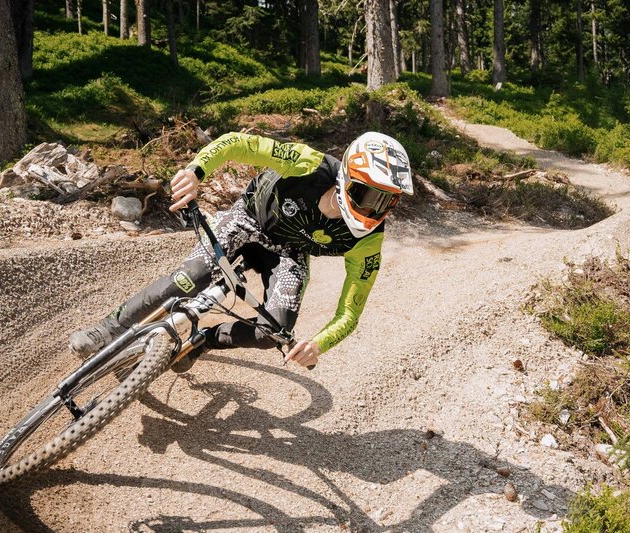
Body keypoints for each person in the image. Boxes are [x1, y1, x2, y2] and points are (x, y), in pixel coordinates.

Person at [69, 131, 413, 371]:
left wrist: (318, 345)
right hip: (249, 218)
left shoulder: (369, 241)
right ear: (347, 177)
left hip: (289, 252)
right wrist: (195, 170)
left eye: (386, 201)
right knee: (190, 278)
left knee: (275, 330)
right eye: (368, 195)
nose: (373, 209)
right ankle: (106, 330)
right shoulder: (309, 164)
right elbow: (239, 143)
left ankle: (201, 341)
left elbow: (349, 314)